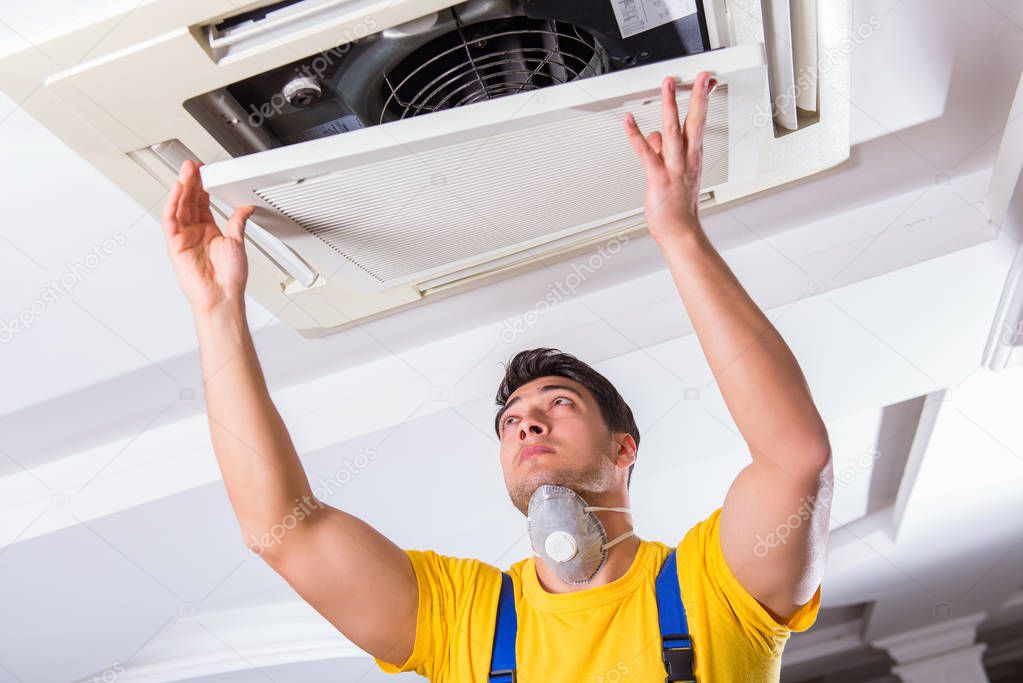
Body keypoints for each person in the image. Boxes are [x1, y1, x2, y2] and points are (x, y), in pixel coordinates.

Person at [160, 70, 833, 681]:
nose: (526, 423)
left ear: (622, 448)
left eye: (557, 402)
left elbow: (794, 459)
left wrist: (678, 234)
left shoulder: (711, 588)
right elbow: (282, 527)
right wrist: (217, 313)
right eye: (509, 421)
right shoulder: (469, 622)